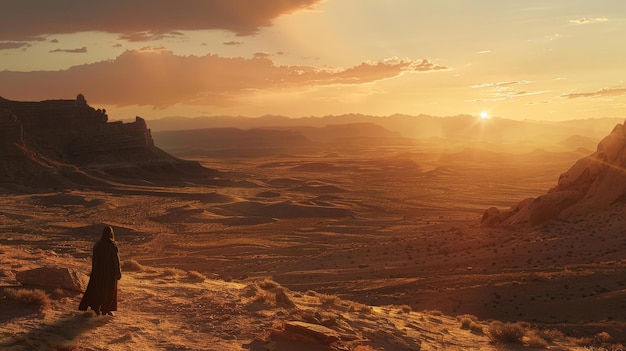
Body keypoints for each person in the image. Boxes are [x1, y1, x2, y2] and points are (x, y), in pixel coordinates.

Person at [79, 226, 122, 316]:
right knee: (109, 291)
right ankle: (106, 309)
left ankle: (95, 307)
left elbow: (94, 259)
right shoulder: (112, 245)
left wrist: (95, 270)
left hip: (98, 272)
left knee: (97, 289)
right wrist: (118, 272)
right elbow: (115, 261)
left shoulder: (98, 244)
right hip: (109, 273)